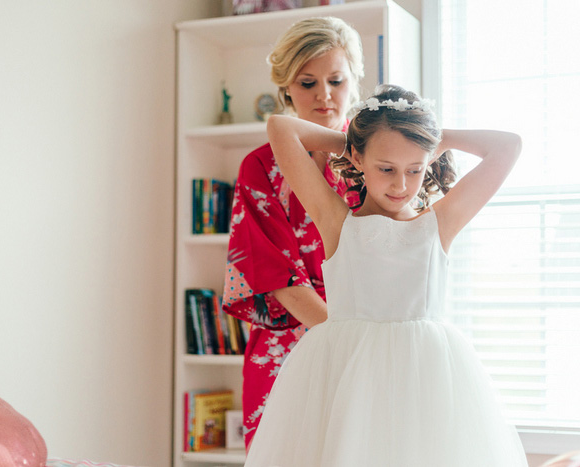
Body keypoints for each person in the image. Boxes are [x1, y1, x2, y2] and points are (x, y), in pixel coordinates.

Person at [244, 84, 528, 466]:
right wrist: (358, 139)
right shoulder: (336, 221)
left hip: (423, 381)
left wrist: (434, 139)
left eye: (415, 169)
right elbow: (281, 128)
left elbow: (508, 146)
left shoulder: (439, 223)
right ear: (358, 159)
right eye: (386, 168)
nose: (401, 185)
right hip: (345, 376)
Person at [220, 16, 365, 449]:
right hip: (289, 348)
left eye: (336, 80)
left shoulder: (379, 167)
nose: (324, 95)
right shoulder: (259, 168)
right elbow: (272, 272)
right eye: (307, 83)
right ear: (286, 89)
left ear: (353, 81)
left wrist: (366, 343)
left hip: (365, 339)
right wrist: (345, 339)